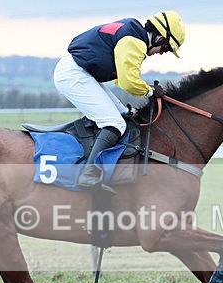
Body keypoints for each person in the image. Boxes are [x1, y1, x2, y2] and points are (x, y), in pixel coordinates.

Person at [53, 11, 186, 193]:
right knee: (113, 123)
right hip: (74, 74)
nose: (161, 53)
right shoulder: (135, 41)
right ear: (160, 37)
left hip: (82, 72)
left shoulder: (132, 32)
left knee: (125, 114)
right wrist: (150, 91)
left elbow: (120, 77)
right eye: (165, 49)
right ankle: (88, 173)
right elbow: (127, 81)